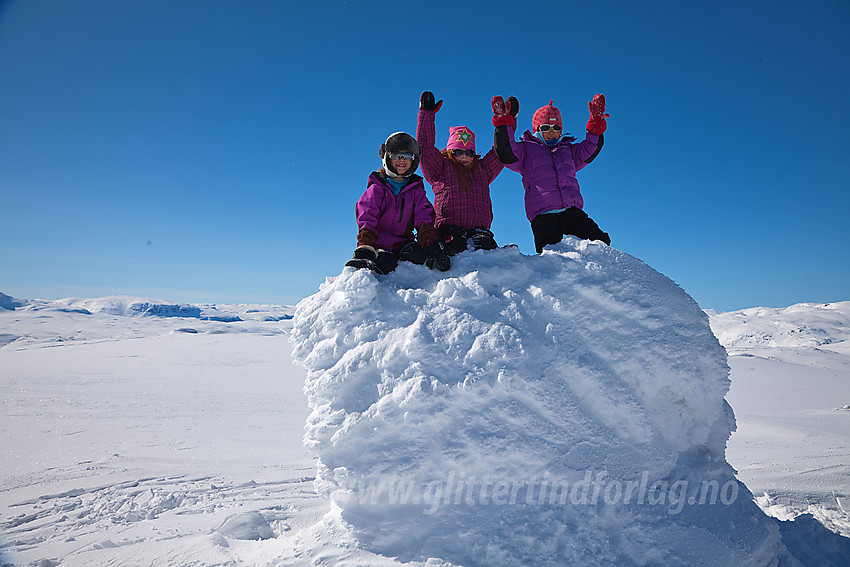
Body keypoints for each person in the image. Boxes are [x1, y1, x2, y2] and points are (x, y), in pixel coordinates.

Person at [492, 94, 611, 253]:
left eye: (556, 128)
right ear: (536, 129)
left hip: (572, 211)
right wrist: (504, 124)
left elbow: (590, 148)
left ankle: (597, 276)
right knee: (551, 256)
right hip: (543, 215)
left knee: (599, 242)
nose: (551, 132)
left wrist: (596, 125)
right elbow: (507, 152)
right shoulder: (526, 150)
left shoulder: (568, 150)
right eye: (545, 127)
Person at [345, 131, 450, 274]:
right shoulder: (377, 188)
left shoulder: (415, 190)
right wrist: (366, 245)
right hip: (378, 244)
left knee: (417, 257)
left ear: (414, 160)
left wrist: (431, 245)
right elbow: (367, 216)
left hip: (403, 243)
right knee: (385, 264)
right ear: (386, 157)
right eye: (396, 155)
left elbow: (424, 217)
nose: (402, 160)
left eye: (408, 156)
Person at [417, 91, 505, 255]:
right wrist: (426, 115)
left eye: (468, 152)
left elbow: (500, 153)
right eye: (458, 152)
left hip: (480, 230)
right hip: (448, 228)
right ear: (450, 152)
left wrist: (504, 123)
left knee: (486, 249)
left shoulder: (482, 170)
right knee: (455, 249)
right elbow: (425, 148)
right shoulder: (440, 168)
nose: (464, 156)